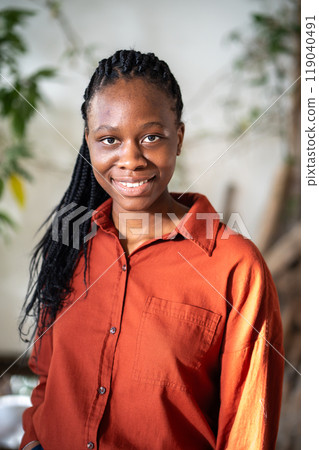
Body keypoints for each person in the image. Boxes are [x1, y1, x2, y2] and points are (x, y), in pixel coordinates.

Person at [19, 50, 284, 450]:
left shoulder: (235, 267)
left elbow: (247, 429)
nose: (131, 159)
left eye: (151, 137)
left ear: (178, 137)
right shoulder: (71, 242)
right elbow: (46, 378)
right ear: (89, 142)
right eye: (109, 139)